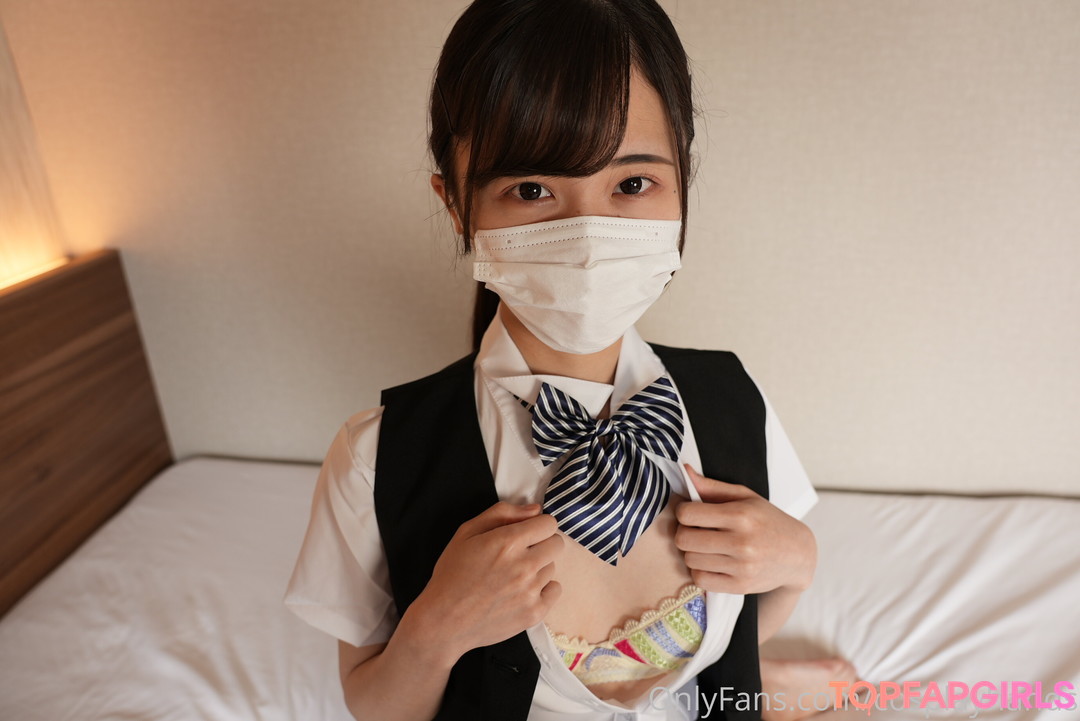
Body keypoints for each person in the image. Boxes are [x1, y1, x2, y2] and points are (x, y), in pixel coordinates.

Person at [284, 1, 856, 719]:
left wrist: (799, 561)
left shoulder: (731, 399)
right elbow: (374, 704)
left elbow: (740, 630)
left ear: (682, 181)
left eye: (632, 184)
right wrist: (437, 626)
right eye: (532, 189)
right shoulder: (376, 459)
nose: (589, 235)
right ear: (456, 205)